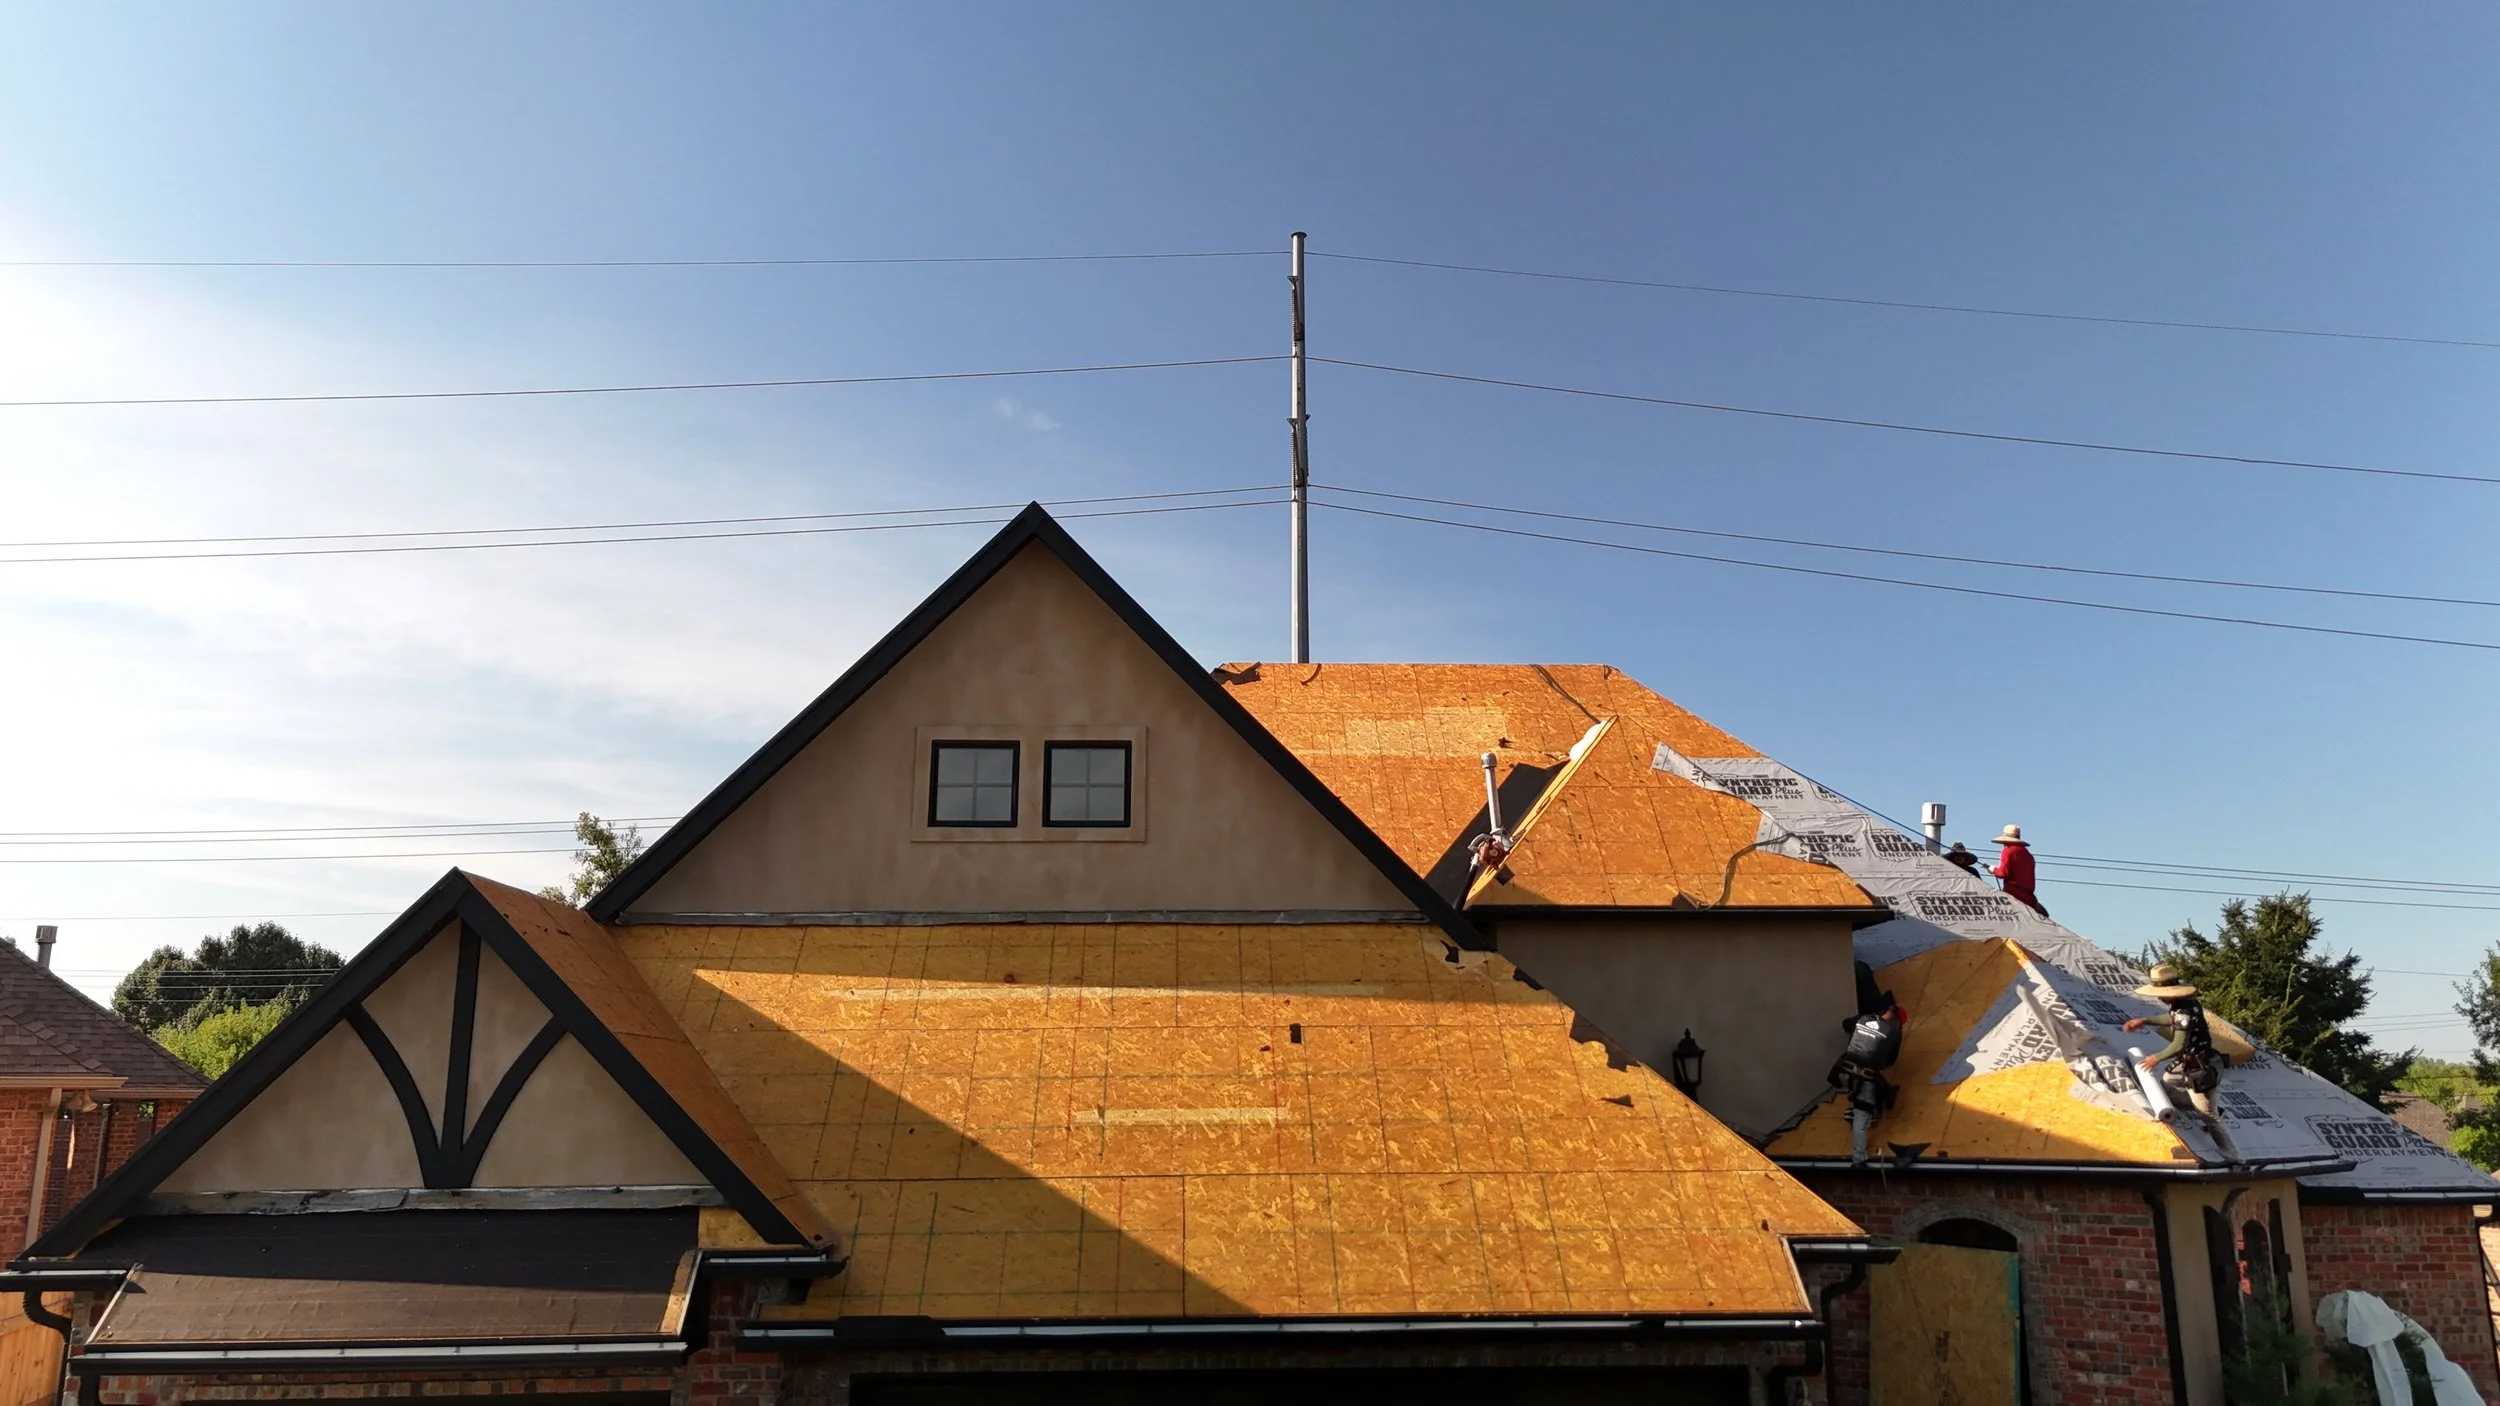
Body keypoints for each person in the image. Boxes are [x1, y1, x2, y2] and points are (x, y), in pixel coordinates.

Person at [2123, 962, 2220, 1118]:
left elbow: (2179, 1045)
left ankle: (2217, 1122)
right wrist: (2145, 1021)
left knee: (2210, 1118)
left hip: (2199, 1062)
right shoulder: (2184, 1004)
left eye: (2163, 994)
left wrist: (2156, 1058)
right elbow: (2172, 1019)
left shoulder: (2183, 1009)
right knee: (2168, 1084)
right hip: (2192, 1059)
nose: (2160, 998)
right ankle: (2205, 1106)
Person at [1991, 824, 2046, 915]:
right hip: (2028, 898)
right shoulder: (2029, 855)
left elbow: (2002, 873)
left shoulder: (2008, 851)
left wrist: (1993, 869)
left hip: (2013, 895)